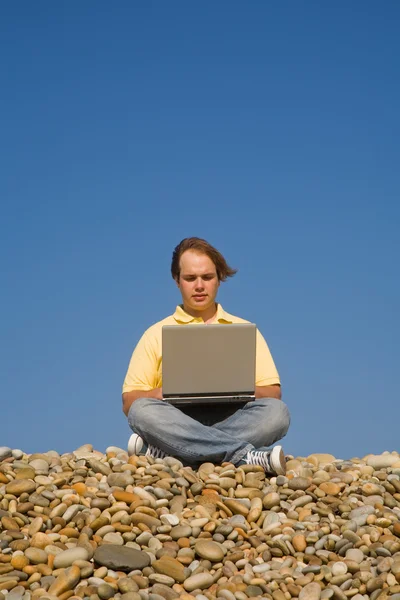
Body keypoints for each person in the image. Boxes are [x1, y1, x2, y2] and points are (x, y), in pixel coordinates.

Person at [122, 237, 290, 475]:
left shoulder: (244, 329)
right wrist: (161, 393)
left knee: (277, 413)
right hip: (176, 420)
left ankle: (175, 452)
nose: (199, 286)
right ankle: (244, 457)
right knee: (142, 411)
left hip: (233, 418)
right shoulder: (155, 334)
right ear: (177, 281)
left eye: (207, 277)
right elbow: (130, 402)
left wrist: (240, 387)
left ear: (219, 279)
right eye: (190, 278)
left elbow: (273, 393)